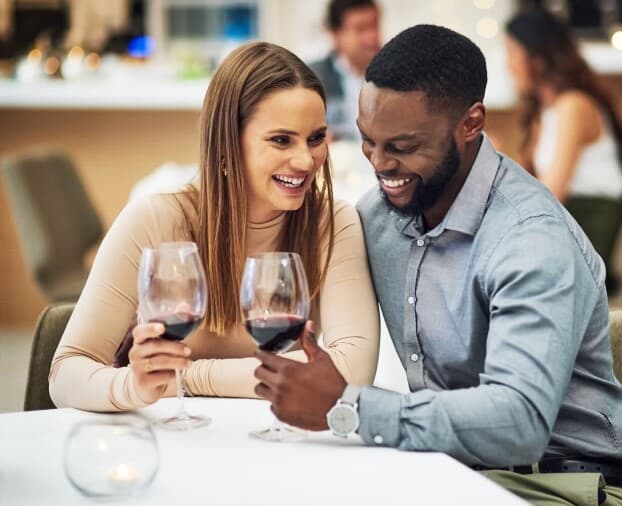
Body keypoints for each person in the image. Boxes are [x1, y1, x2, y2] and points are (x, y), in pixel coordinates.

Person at [253, 25, 622, 506]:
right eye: (369, 141)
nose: (380, 164)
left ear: (471, 123)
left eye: (403, 147)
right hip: (453, 473)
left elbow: (519, 422)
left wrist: (351, 408)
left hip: (564, 486)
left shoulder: (530, 239)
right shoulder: (379, 218)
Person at [48, 42, 380, 411]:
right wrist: (134, 386)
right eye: (281, 140)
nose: (305, 160)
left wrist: (185, 377)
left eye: (315, 138)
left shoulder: (333, 223)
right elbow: (66, 374)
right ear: (226, 142)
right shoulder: (155, 221)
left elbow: (350, 373)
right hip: (171, 439)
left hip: (278, 436)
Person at [505, 8, 622, 285]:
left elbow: (552, 193)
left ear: (537, 58)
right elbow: (524, 182)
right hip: (566, 228)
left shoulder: (574, 106)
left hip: (588, 233)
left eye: (512, 52)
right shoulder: (546, 112)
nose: (508, 64)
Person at [309, 0, 381, 141]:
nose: (371, 37)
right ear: (336, 35)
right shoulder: (312, 78)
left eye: (374, 25)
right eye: (361, 29)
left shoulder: (394, 76)